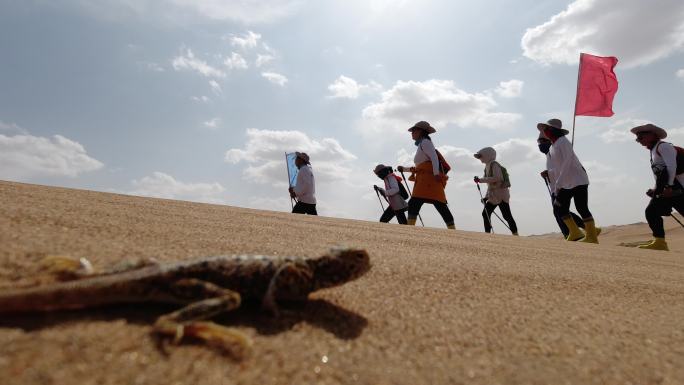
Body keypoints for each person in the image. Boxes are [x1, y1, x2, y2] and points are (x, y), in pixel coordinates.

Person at [538, 118, 599, 243]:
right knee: (560, 208)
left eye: (546, 129)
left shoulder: (563, 142)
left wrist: (559, 182)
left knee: (581, 207)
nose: (545, 131)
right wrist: (553, 178)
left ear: (553, 130)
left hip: (578, 180)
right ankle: (575, 232)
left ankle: (592, 237)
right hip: (567, 182)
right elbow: (558, 167)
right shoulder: (553, 146)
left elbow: (567, 162)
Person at [631, 123, 684, 251]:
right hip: (669, 189)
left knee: (651, 212)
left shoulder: (663, 146)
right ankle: (659, 242)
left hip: (676, 188)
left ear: (652, 135)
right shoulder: (653, 150)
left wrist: (669, 187)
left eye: (641, 136)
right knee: (652, 212)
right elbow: (660, 174)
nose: (638, 140)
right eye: (637, 137)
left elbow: (671, 167)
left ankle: (660, 242)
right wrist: (656, 189)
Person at [397, 121, 455, 229]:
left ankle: (410, 229)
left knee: (416, 203)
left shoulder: (425, 143)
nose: (412, 133)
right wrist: (404, 169)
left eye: (414, 131)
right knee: (439, 205)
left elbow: (434, 158)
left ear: (420, 131)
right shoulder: (423, 143)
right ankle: (452, 229)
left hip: (429, 180)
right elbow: (419, 168)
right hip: (426, 180)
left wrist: (436, 173)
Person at [537, 133, 587, 238]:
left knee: (561, 209)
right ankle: (574, 232)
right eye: (539, 142)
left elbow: (563, 167)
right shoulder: (549, 153)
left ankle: (578, 232)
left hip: (565, 183)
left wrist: (549, 173)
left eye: (543, 141)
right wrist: (548, 173)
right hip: (557, 185)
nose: (540, 144)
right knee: (559, 210)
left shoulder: (556, 149)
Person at [473, 147, 518, 235]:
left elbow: (497, 178)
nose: (480, 159)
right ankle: (515, 234)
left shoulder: (494, 165)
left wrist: (480, 180)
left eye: (481, 156)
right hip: (495, 194)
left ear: (487, 155)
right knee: (491, 214)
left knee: (505, 215)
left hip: (500, 194)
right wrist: (486, 197)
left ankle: (514, 234)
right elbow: (490, 185)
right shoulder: (487, 166)